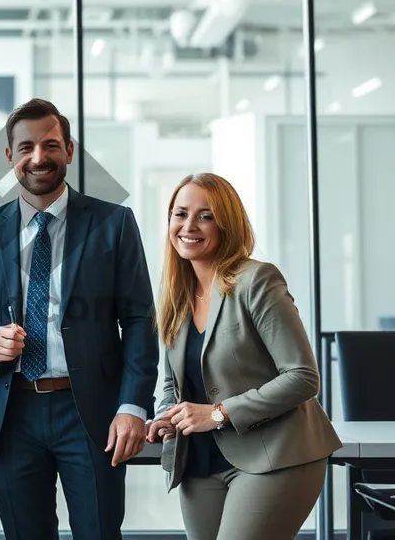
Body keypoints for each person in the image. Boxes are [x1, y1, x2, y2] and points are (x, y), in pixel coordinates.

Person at [0, 97, 159, 540]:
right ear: (10, 156)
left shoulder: (113, 223)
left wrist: (133, 405)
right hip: (12, 412)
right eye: (26, 148)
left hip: (91, 413)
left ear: (69, 150)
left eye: (50, 145)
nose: (38, 157)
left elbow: (139, 319)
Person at [145, 172, 341, 540]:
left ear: (227, 224)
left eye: (205, 215)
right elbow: (173, 381)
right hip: (200, 460)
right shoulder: (176, 292)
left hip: (275, 455)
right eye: (180, 213)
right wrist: (167, 416)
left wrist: (218, 413)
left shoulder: (257, 281)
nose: (189, 226)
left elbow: (303, 376)